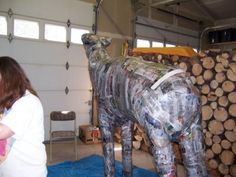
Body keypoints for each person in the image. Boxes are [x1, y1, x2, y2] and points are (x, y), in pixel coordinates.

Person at [0, 56, 47, 177]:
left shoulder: (28, 102)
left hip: (28, 173)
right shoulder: (9, 103)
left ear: (8, 80)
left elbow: (3, 131)